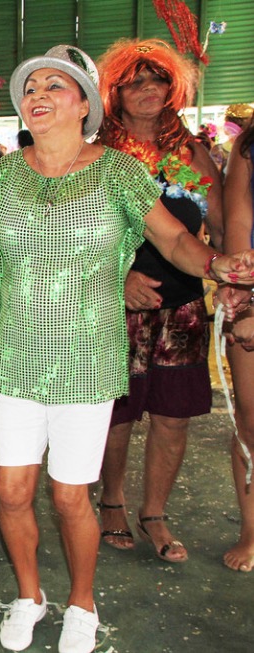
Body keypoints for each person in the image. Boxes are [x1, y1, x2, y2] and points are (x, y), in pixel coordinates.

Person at [0, 45, 254, 653]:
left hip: (88, 360)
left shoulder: (117, 171)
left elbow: (172, 240)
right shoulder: (8, 175)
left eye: (54, 86)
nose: (37, 93)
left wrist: (219, 264)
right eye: (30, 86)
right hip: (18, 360)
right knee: (12, 491)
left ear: (84, 104)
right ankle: (29, 595)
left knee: (69, 497)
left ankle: (82, 603)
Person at [94, 39, 223, 564]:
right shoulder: (100, 155)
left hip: (184, 306)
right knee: (117, 416)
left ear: (174, 87)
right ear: (115, 92)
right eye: (135, 81)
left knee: (174, 417)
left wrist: (233, 280)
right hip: (114, 305)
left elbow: (217, 227)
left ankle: (155, 512)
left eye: (158, 80)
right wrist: (117, 278)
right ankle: (111, 502)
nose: (148, 89)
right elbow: (78, 234)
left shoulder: (190, 153)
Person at [222, 121, 254, 572]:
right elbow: (238, 225)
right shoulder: (247, 147)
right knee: (251, 419)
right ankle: (252, 528)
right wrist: (245, 303)